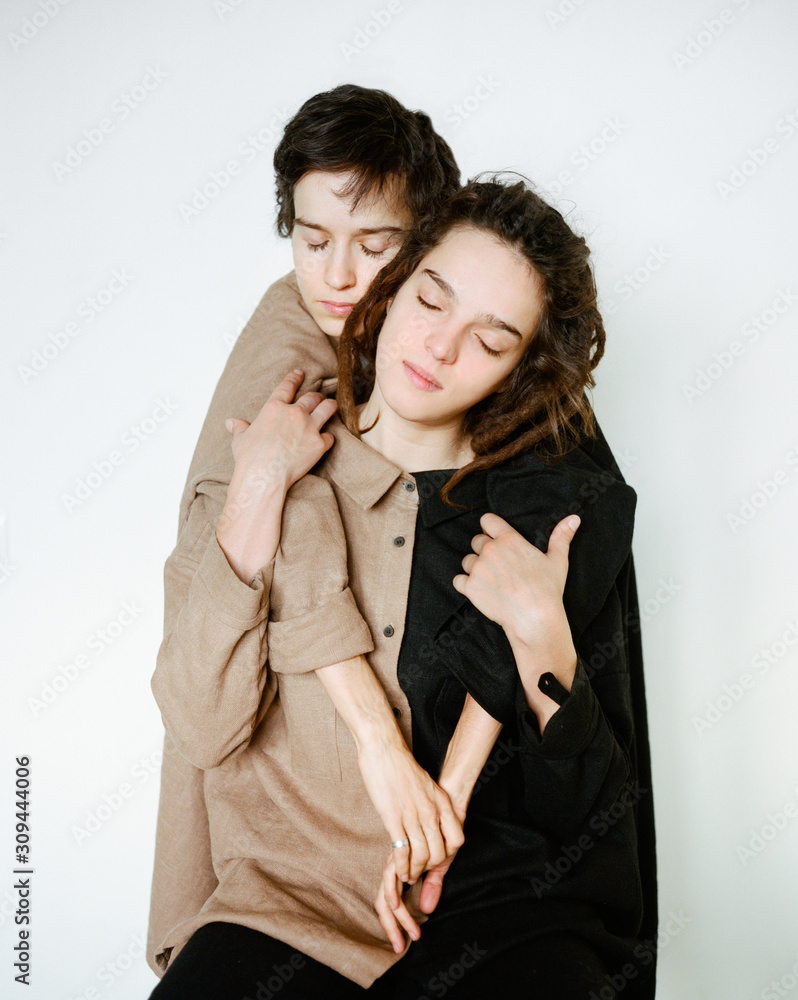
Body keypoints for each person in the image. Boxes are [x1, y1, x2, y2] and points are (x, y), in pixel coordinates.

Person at [147, 177, 657, 999]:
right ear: (393, 285)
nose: (440, 347)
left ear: (518, 373)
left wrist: (544, 643)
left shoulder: (540, 521)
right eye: (430, 300)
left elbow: (584, 816)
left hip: (499, 910)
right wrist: (254, 490)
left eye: (489, 341)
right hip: (286, 906)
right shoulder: (275, 458)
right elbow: (201, 725)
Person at [146, 80, 504, 977]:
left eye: (374, 246)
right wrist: (261, 482)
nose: (337, 276)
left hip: (436, 868)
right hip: (281, 878)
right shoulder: (285, 380)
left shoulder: (420, 335)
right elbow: (200, 714)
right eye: (312, 241)